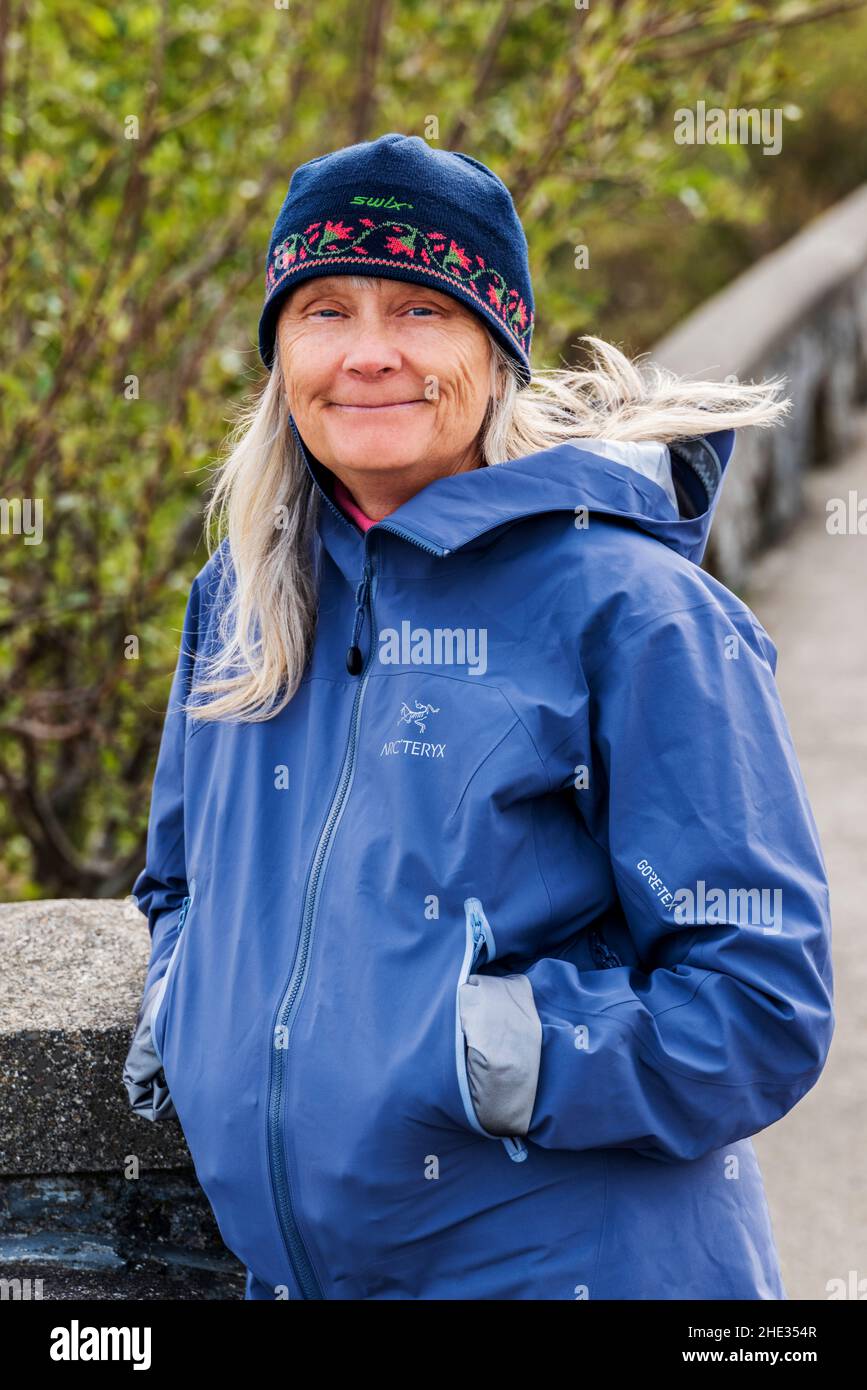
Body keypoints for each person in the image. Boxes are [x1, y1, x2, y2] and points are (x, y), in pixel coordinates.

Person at [123, 132, 834, 1301]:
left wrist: (490, 1052)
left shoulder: (636, 612)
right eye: (325, 311)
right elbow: (182, 881)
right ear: (278, 352)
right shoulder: (243, 593)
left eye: (420, 310)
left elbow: (759, 1005)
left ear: (495, 350)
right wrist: (194, 1006)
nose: (368, 355)